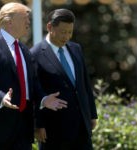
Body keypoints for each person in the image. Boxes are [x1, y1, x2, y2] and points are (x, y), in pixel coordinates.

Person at [0, 3, 67, 150]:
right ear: (9, 21)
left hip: (22, 130)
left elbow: (32, 84)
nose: (28, 22)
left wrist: (44, 99)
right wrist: (0, 97)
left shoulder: (25, 50)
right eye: (25, 18)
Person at [30, 8, 98, 150]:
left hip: (82, 126)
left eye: (70, 32)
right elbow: (34, 92)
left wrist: (91, 114)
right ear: (49, 27)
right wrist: (38, 124)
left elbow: (85, 83)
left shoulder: (76, 48)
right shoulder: (35, 54)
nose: (66, 37)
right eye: (62, 32)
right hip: (53, 129)